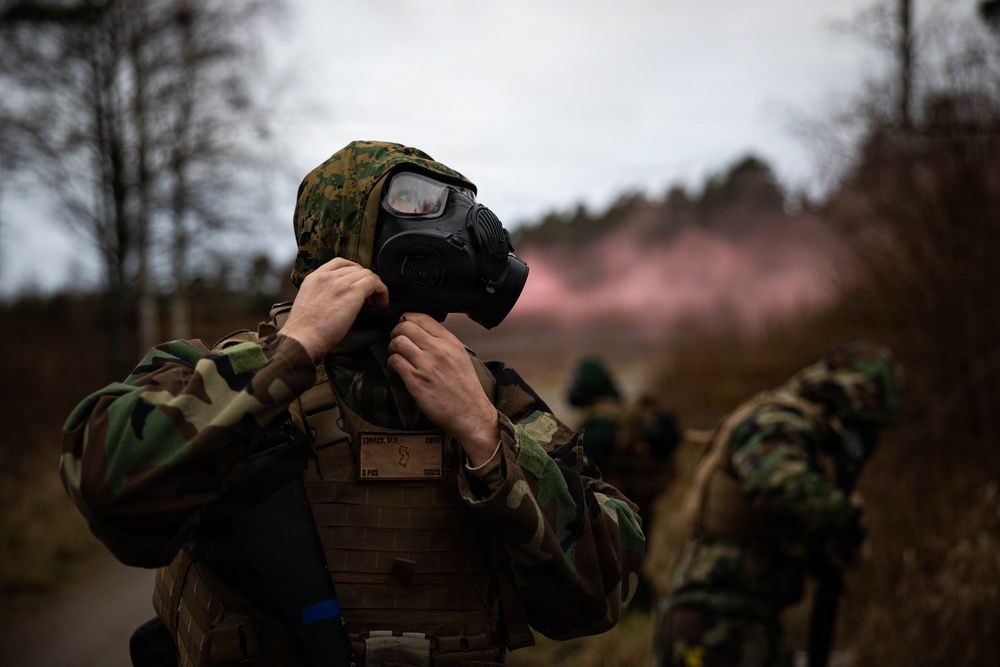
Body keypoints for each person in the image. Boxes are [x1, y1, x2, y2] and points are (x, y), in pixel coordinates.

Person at [60, 140, 646, 667]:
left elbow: (604, 594)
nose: (463, 223)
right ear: (349, 235)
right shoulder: (218, 373)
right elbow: (107, 488)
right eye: (417, 202)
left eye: (459, 204)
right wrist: (289, 352)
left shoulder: (486, 395)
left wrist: (483, 434)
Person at [655, 341, 903, 667]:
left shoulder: (798, 428)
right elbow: (776, 482)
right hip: (718, 621)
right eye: (864, 428)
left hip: (740, 618)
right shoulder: (777, 422)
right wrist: (844, 518)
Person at [566, 357, 682, 612]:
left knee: (622, 562)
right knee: (631, 560)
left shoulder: (602, 420)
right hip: (637, 499)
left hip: (620, 501)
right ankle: (640, 609)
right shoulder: (619, 411)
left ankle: (638, 610)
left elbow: (580, 457)